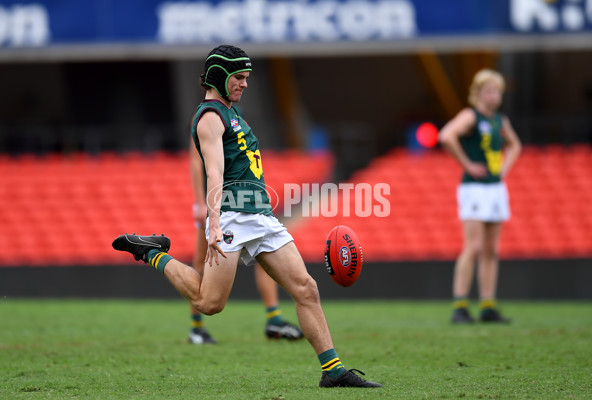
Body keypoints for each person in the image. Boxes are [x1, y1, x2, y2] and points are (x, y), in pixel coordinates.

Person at [113, 44, 382, 388]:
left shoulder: (232, 113)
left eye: (247, 77)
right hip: (230, 217)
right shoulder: (210, 117)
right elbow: (215, 171)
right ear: (219, 77)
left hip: (261, 216)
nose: (245, 84)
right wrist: (213, 224)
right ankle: (150, 252)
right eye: (239, 77)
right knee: (209, 304)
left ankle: (333, 371)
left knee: (306, 289)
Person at [187, 140, 303, 344]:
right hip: (217, 205)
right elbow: (197, 162)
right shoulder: (209, 118)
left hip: (244, 204)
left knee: (266, 257)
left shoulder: (236, 122)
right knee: (201, 263)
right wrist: (199, 201)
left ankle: (274, 318)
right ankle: (196, 327)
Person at [439, 69, 521, 324]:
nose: (494, 95)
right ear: (478, 93)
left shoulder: (499, 120)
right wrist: (466, 163)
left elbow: (515, 145)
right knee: (472, 247)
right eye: (489, 90)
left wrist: (503, 170)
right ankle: (460, 305)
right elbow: (446, 135)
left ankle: (487, 304)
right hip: (474, 187)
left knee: (491, 249)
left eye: (497, 91)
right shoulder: (470, 116)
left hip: (494, 188)